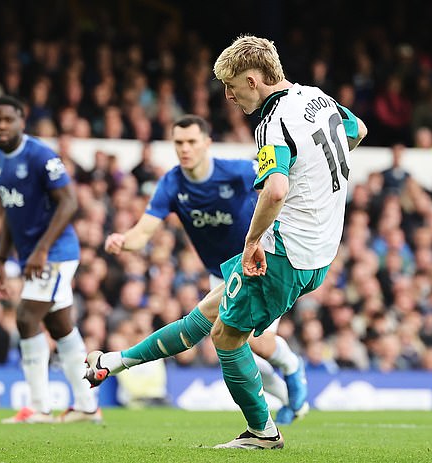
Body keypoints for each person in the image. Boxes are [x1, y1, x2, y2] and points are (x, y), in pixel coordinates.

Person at [86, 34, 367, 449]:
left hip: (284, 252)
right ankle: (114, 362)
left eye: (232, 86)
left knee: (227, 337)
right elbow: (357, 129)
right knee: (208, 312)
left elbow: (274, 191)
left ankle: (263, 432)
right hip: (320, 247)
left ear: (253, 80)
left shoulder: (273, 123)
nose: (229, 96)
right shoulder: (317, 98)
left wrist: (252, 241)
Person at [103, 114, 305, 424]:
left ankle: (291, 368)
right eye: (179, 143)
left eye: (191, 142)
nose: (185, 149)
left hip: (255, 263)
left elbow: (277, 187)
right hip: (220, 273)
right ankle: (288, 393)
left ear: (206, 143)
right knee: (231, 341)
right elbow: (143, 232)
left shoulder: (236, 172)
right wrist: (123, 241)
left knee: (252, 342)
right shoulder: (171, 183)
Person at [0, 95, 100, 424]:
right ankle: (86, 405)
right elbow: (10, 212)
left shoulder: (41, 156)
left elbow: (69, 203)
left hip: (55, 253)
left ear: (22, 122)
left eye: (8, 120)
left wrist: (40, 249)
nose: (2, 126)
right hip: (34, 256)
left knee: (25, 318)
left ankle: (38, 407)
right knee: (60, 326)